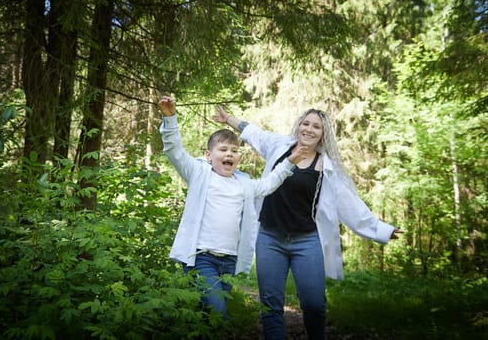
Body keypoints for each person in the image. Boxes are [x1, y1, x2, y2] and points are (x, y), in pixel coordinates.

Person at [213, 105, 402, 339]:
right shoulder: (280, 146)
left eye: (316, 126)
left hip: (306, 241)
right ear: (298, 125)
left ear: (323, 134)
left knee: (314, 303)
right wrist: (228, 119)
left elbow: (351, 206)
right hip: (270, 238)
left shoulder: (326, 168)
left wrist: (382, 230)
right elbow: (254, 132)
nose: (309, 129)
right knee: (271, 305)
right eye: (305, 123)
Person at [157, 96, 308, 320]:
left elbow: (269, 183)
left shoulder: (244, 184)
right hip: (201, 257)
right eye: (223, 150)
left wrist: (289, 162)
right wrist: (170, 118)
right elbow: (174, 150)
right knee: (218, 314)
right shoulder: (198, 174)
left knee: (207, 320)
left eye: (234, 151)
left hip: (228, 261)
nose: (229, 154)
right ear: (209, 156)